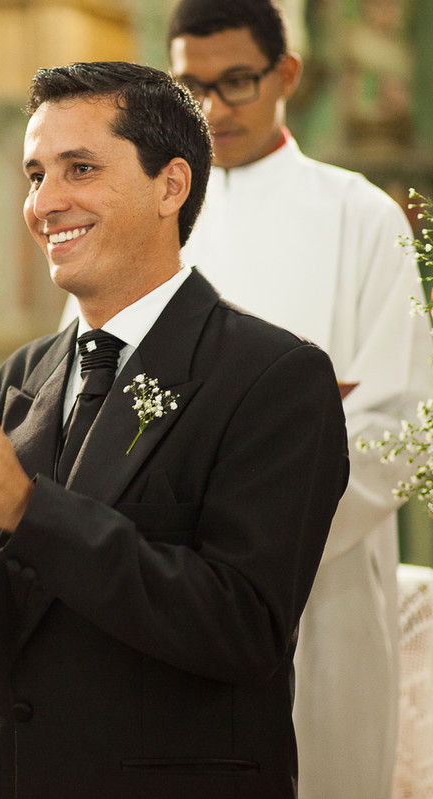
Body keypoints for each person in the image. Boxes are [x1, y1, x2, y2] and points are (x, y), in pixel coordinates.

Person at [0, 61, 351, 798]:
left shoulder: (274, 377)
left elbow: (241, 627)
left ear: (172, 185)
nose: (44, 202)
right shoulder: (24, 378)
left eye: (80, 169)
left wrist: (35, 512)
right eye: (35, 174)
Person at [167, 2, 433, 795]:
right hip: (171, 577)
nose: (211, 108)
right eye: (190, 85)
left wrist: (263, 537)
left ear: (288, 74)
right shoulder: (147, 213)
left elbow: (402, 424)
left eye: (236, 82)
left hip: (323, 577)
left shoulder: (362, 216)